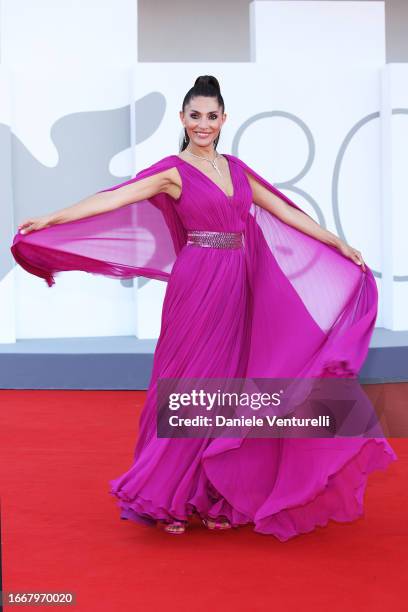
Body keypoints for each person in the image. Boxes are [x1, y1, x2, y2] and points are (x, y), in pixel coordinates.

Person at [11, 75, 397, 540]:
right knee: (185, 386)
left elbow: (285, 211)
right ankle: (166, 495)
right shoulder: (174, 170)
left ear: (223, 119)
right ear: (182, 119)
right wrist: (54, 216)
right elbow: (115, 196)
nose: (203, 124)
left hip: (237, 286)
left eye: (211, 116)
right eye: (195, 116)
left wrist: (337, 242)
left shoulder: (237, 169)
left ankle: (212, 495)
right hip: (196, 286)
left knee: (224, 390)